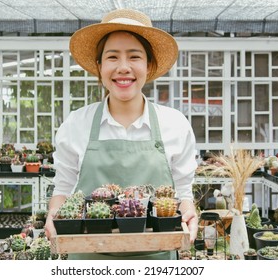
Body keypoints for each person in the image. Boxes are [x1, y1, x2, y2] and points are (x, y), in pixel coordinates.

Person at [45, 8, 198, 260]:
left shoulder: (175, 124)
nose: (123, 67)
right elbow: (62, 189)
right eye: (113, 57)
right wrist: (54, 215)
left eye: (134, 57)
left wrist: (189, 212)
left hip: (157, 260)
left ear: (149, 65)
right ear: (99, 66)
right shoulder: (76, 124)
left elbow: (183, 194)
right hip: (87, 261)